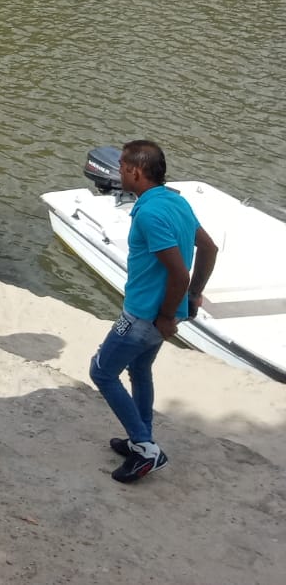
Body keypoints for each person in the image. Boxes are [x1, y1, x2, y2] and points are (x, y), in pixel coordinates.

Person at [88, 140, 217, 484]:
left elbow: (178, 272)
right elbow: (208, 247)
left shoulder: (149, 213)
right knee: (140, 368)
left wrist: (164, 315)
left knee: (101, 372)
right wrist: (193, 297)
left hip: (143, 315)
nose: (117, 172)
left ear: (135, 171)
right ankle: (138, 439)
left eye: (121, 167)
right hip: (161, 313)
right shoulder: (176, 200)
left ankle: (146, 449)